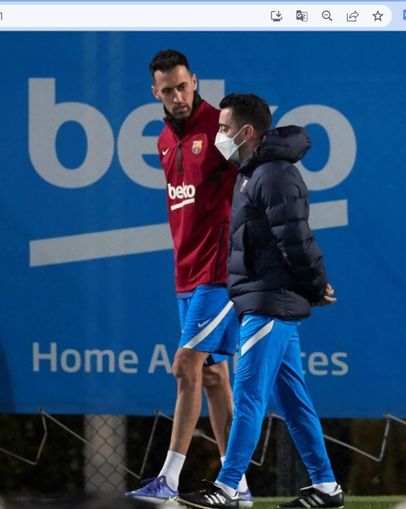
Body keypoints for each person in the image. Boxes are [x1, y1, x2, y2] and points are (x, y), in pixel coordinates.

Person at [176, 94, 343, 509]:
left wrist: (315, 285)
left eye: (223, 128)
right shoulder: (253, 172)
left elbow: (296, 240)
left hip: (271, 303)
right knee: (293, 400)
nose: (218, 135)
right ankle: (326, 487)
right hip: (269, 300)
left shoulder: (272, 175)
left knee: (249, 395)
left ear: (246, 132)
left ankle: (229, 486)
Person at [125, 49, 252, 506]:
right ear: (154, 92)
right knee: (215, 378)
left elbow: (257, 171)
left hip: (219, 271)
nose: (177, 96)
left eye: (183, 86)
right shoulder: (161, 139)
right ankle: (237, 484)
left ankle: (169, 481)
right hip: (186, 272)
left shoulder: (220, 127)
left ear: (194, 81)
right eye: (167, 90)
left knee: (185, 366)